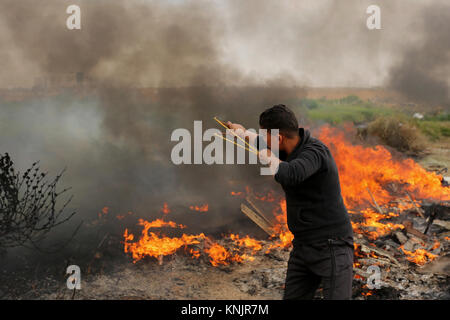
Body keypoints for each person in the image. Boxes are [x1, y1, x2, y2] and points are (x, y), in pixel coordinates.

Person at [226, 104, 354, 300]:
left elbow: (291, 174)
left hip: (331, 246)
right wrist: (242, 132)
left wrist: (269, 158)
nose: (264, 143)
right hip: (303, 246)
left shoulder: (315, 153)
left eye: (267, 137)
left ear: (279, 138)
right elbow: (260, 142)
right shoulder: (285, 146)